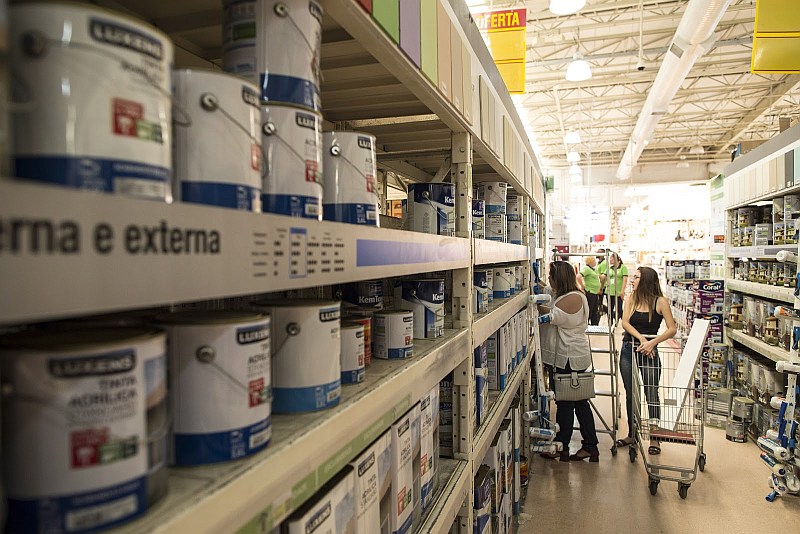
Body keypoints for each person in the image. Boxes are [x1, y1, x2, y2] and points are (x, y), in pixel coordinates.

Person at [537, 261, 600, 462]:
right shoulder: (565, 294)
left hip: (569, 358)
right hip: (569, 357)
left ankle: (563, 446)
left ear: (560, 278)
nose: (548, 279)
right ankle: (587, 446)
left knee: (566, 403)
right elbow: (546, 290)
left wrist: (531, 302)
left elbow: (550, 315)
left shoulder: (572, 298)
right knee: (579, 403)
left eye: (551, 275)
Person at [617, 266, 677, 455]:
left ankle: (655, 438)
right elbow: (624, 322)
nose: (632, 280)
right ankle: (632, 434)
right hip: (629, 349)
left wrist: (652, 343)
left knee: (651, 394)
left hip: (649, 353)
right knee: (631, 393)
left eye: (636, 278)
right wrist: (642, 339)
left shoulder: (660, 302)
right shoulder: (631, 299)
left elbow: (672, 329)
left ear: (646, 281)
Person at [597, 252, 628, 324]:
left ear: (616, 259)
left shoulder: (623, 267)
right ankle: (610, 324)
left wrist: (622, 291)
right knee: (609, 309)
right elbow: (603, 277)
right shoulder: (609, 268)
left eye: (611, 259)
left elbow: (625, 280)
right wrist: (596, 275)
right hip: (609, 291)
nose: (610, 260)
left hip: (618, 292)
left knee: (619, 309)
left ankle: (625, 324)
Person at [580, 255, 602, 325]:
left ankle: (594, 324)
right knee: (590, 309)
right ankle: (586, 324)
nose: (595, 262)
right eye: (594, 260)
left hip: (594, 292)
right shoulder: (586, 269)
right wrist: (582, 286)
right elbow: (578, 276)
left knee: (595, 309)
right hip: (590, 291)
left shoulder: (593, 269)